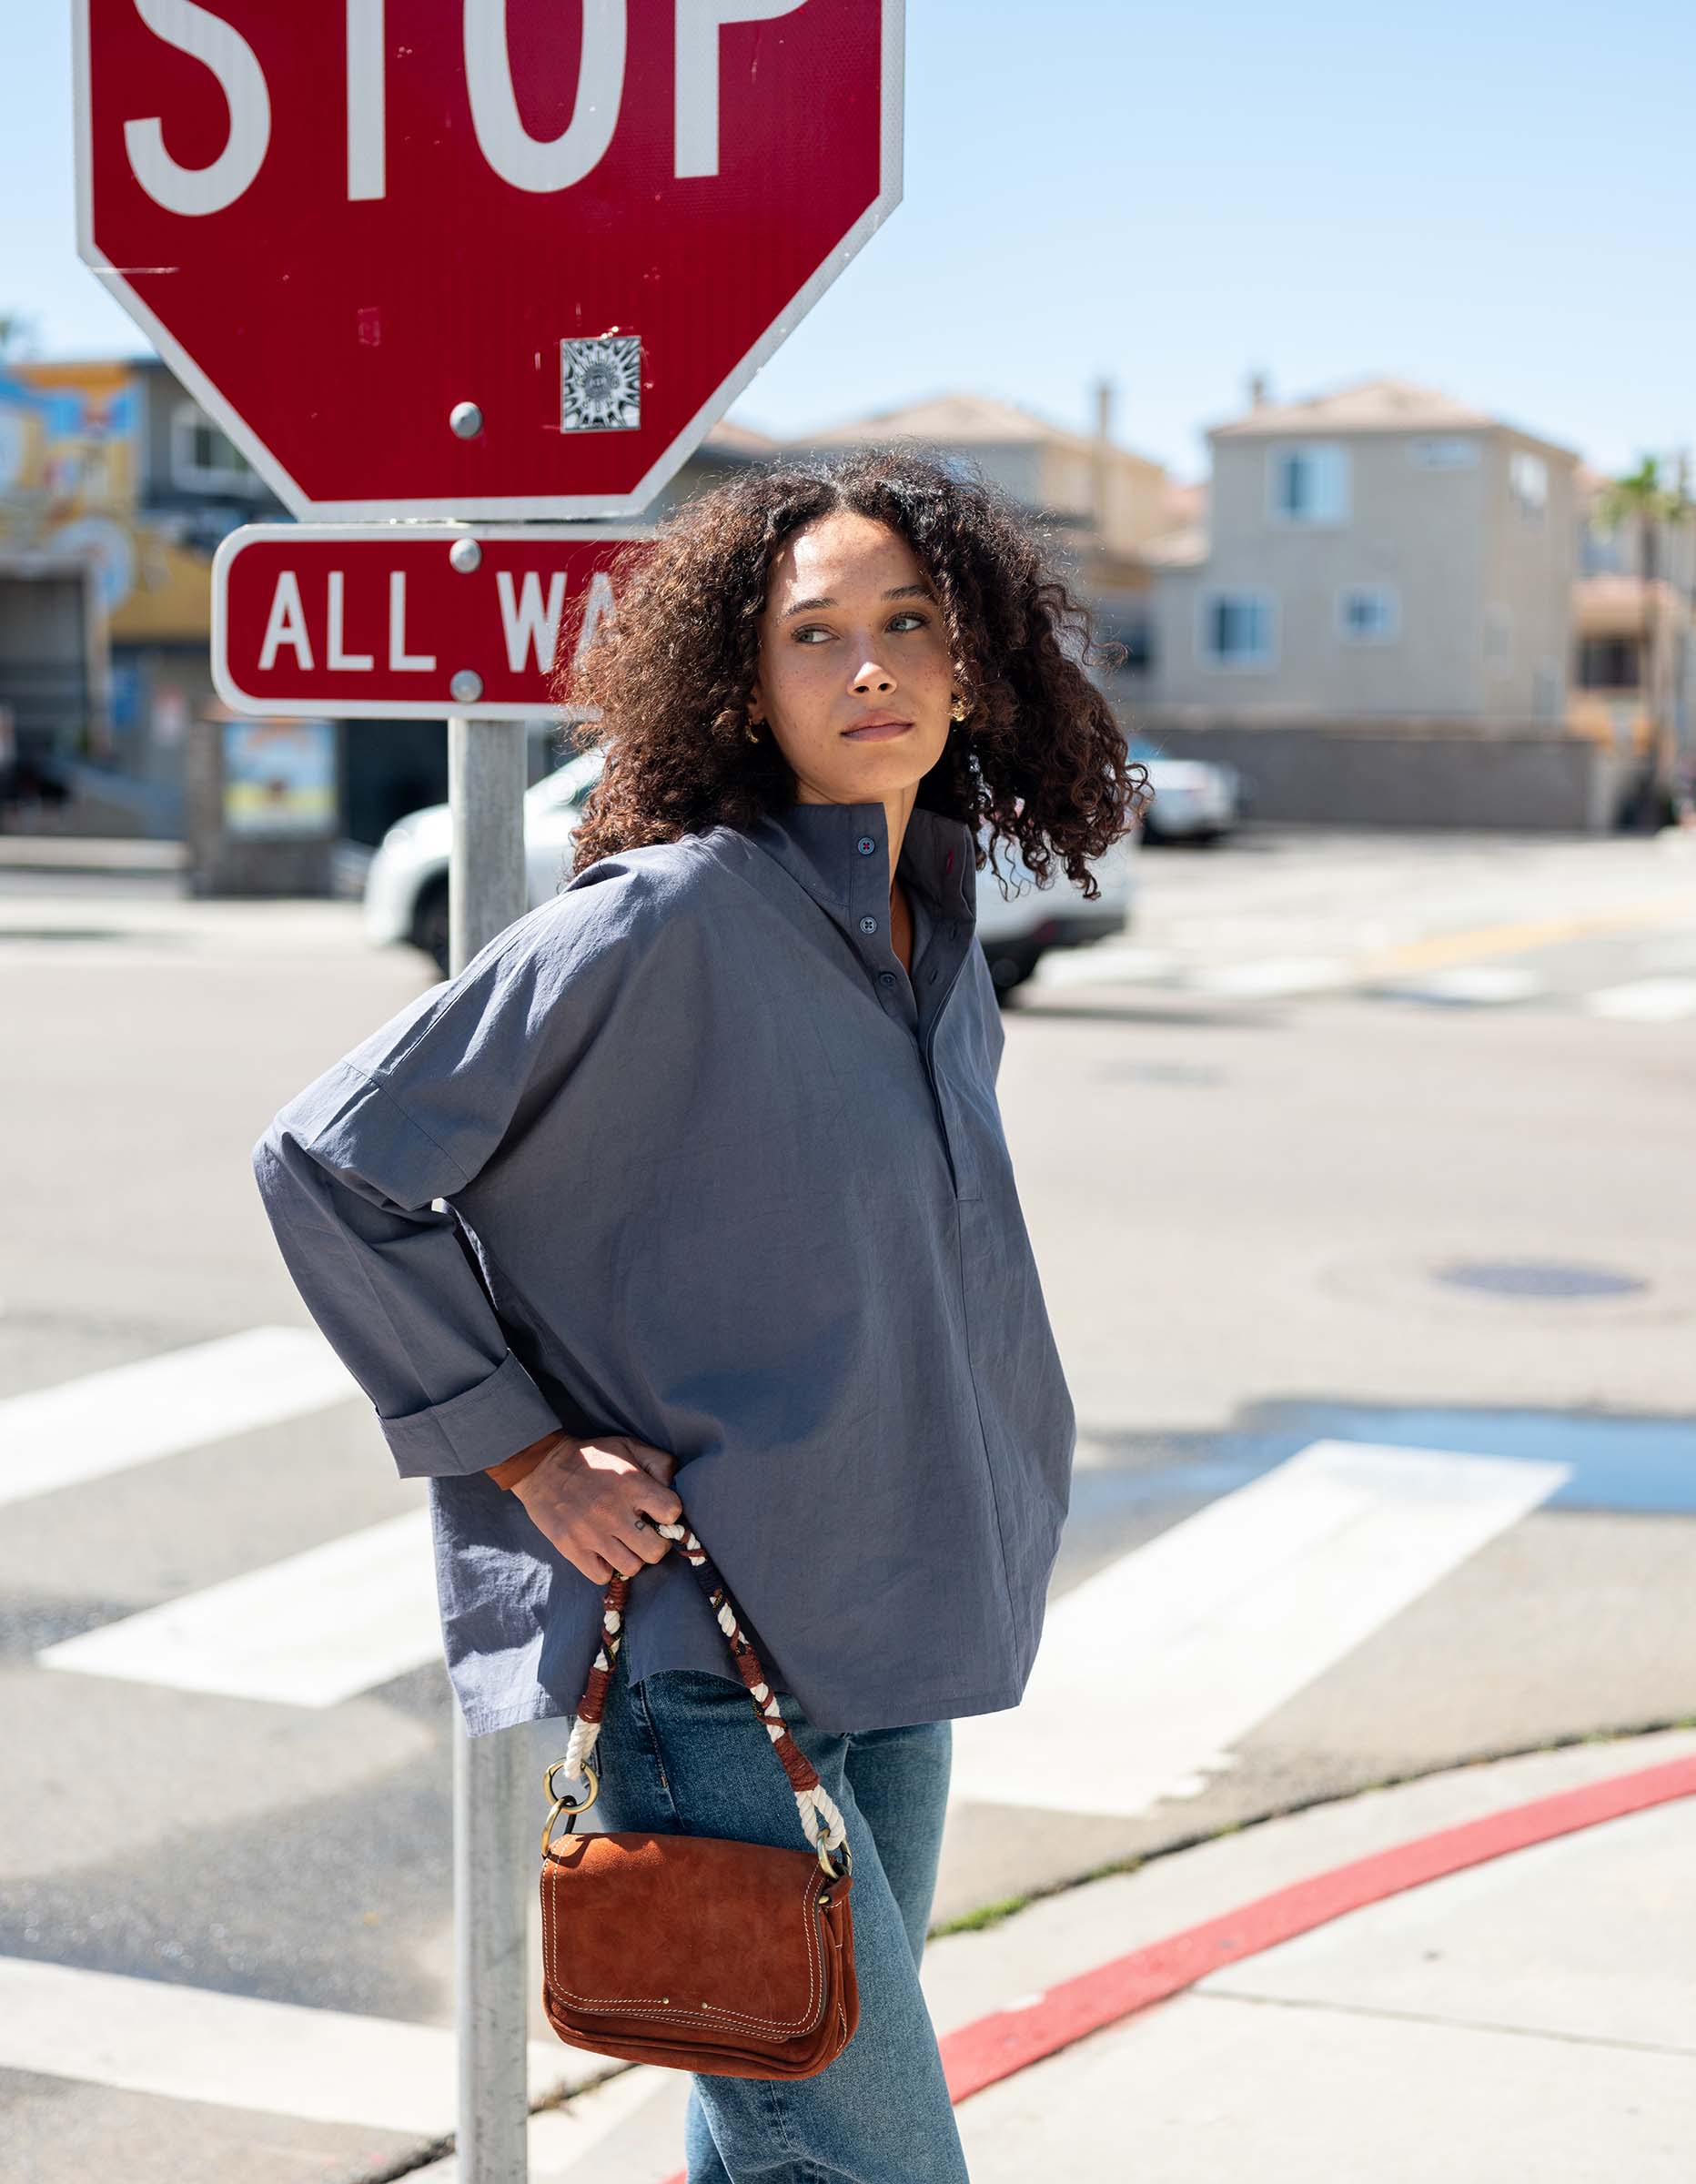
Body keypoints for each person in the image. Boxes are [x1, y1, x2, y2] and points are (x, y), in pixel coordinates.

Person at [250, 446, 1143, 2182]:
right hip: (706, 1658)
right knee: (874, 2158)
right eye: (818, 635)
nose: (870, 666)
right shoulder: (670, 916)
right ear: (746, 681)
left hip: (895, 1633)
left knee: (767, 2130)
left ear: (974, 663)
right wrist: (520, 1453)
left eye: (908, 623)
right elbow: (329, 1164)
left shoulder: (938, 928)